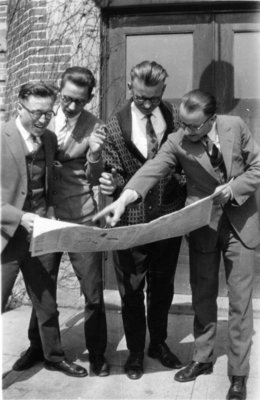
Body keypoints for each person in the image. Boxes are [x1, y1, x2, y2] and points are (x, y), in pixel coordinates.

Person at [94, 89, 260, 399]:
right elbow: (151, 170)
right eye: (181, 123)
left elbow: (257, 167)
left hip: (240, 224)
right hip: (203, 225)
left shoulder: (235, 125)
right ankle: (202, 358)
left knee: (239, 302)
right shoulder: (178, 140)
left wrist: (234, 187)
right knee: (203, 296)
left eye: (192, 126)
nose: (184, 130)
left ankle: (238, 375)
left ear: (211, 120)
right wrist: (124, 200)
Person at [99, 60, 186, 380]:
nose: (147, 104)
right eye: (140, 98)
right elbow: (111, 169)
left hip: (168, 219)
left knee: (162, 288)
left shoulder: (176, 117)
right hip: (130, 223)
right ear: (131, 90)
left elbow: (185, 160)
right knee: (131, 291)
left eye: (153, 98)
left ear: (163, 91)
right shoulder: (114, 125)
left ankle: (158, 344)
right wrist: (110, 183)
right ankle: (136, 351)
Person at [1, 82, 87, 377]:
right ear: (19, 106)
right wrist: (19, 217)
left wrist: (49, 210)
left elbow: (50, 181)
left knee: (46, 301)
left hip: (40, 234)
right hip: (5, 237)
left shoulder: (50, 139)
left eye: (48, 113)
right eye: (36, 113)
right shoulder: (1, 136)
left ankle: (53, 356)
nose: (42, 119)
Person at [47, 66, 108, 377]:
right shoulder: (42, 116)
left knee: (93, 291)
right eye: (67, 98)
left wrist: (95, 154)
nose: (71, 106)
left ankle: (97, 354)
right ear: (59, 90)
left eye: (79, 102)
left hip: (81, 213)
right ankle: (42, 349)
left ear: (90, 99)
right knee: (42, 289)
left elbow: (96, 176)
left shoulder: (95, 126)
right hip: (44, 215)